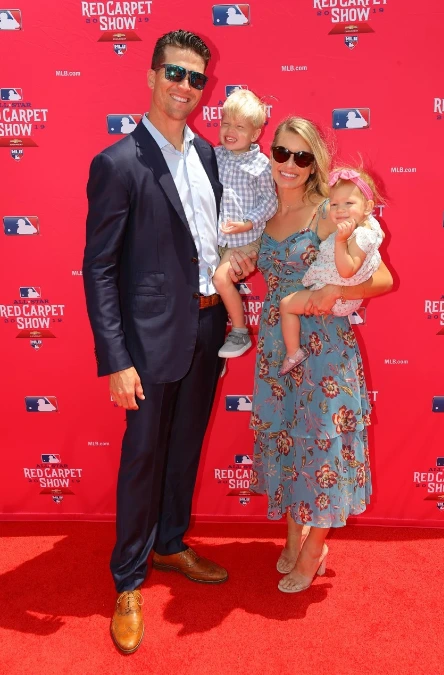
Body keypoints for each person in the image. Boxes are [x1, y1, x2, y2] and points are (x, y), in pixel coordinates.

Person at [83, 29, 255, 654]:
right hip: (148, 339)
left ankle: (172, 542)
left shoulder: (210, 157)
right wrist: (116, 358)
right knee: (144, 457)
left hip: (208, 327)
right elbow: (100, 268)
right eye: (175, 74)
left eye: (196, 78)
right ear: (152, 76)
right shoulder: (118, 162)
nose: (185, 87)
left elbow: (209, 243)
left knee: (184, 448)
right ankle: (128, 579)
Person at [250, 116, 393, 594]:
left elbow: (383, 278)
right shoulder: (265, 212)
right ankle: (294, 536)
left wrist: (334, 286)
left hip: (324, 352)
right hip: (279, 349)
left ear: (315, 165)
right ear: (270, 154)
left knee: (324, 449)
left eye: (302, 156)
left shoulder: (327, 211)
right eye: (281, 152)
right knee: (291, 445)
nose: (289, 164)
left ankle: (314, 549)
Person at [278, 166, 384, 375]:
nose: (340, 209)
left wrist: (340, 242)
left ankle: (293, 352)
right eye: (335, 204)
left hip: (334, 309)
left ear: (367, 207)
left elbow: (350, 271)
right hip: (316, 309)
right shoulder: (364, 228)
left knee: (286, 305)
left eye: (349, 203)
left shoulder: (360, 235)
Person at [213, 89, 277, 358]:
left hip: (247, 240)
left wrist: (247, 224)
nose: (230, 131)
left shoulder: (261, 165)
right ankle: (212, 347)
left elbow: (270, 202)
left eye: (239, 126)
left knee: (220, 278)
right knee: (206, 290)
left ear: (254, 134)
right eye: (226, 123)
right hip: (216, 238)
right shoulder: (214, 156)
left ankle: (239, 333)